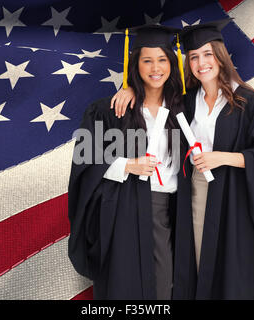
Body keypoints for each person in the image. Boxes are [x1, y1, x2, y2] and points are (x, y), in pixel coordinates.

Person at [111, 18, 254, 299]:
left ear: (221, 57)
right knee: (198, 265)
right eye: (194, 57)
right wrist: (131, 89)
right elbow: (154, 99)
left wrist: (224, 158)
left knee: (235, 270)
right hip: (196, 195)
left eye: (208, 54)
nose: (201, 63)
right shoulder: (185, 103)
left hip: (237, 198)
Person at [67, 24, 191, 299]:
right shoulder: (111, 110)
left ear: (172, 63)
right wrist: (126, 165)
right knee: (123, 286)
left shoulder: (184, 109)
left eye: (162, 59)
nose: (155, 68)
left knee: (166, 285)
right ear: (135, 65)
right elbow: (84, 162)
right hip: (124, 207)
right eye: (147, 60)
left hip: (171, 210)